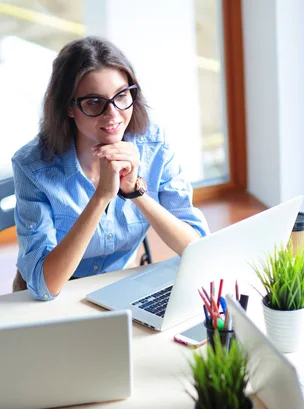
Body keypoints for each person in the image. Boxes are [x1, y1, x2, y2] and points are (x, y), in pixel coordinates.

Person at [12, 36, 209, 300]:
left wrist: (136, 192)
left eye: (121, 95)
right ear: (69, 108)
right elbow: (46, 287)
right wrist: (102, 195)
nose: (113, 114)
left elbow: (197, 247)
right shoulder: (32, 167)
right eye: (95, 102)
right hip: (59, 293)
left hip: (123, 286)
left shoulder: (154, 145)